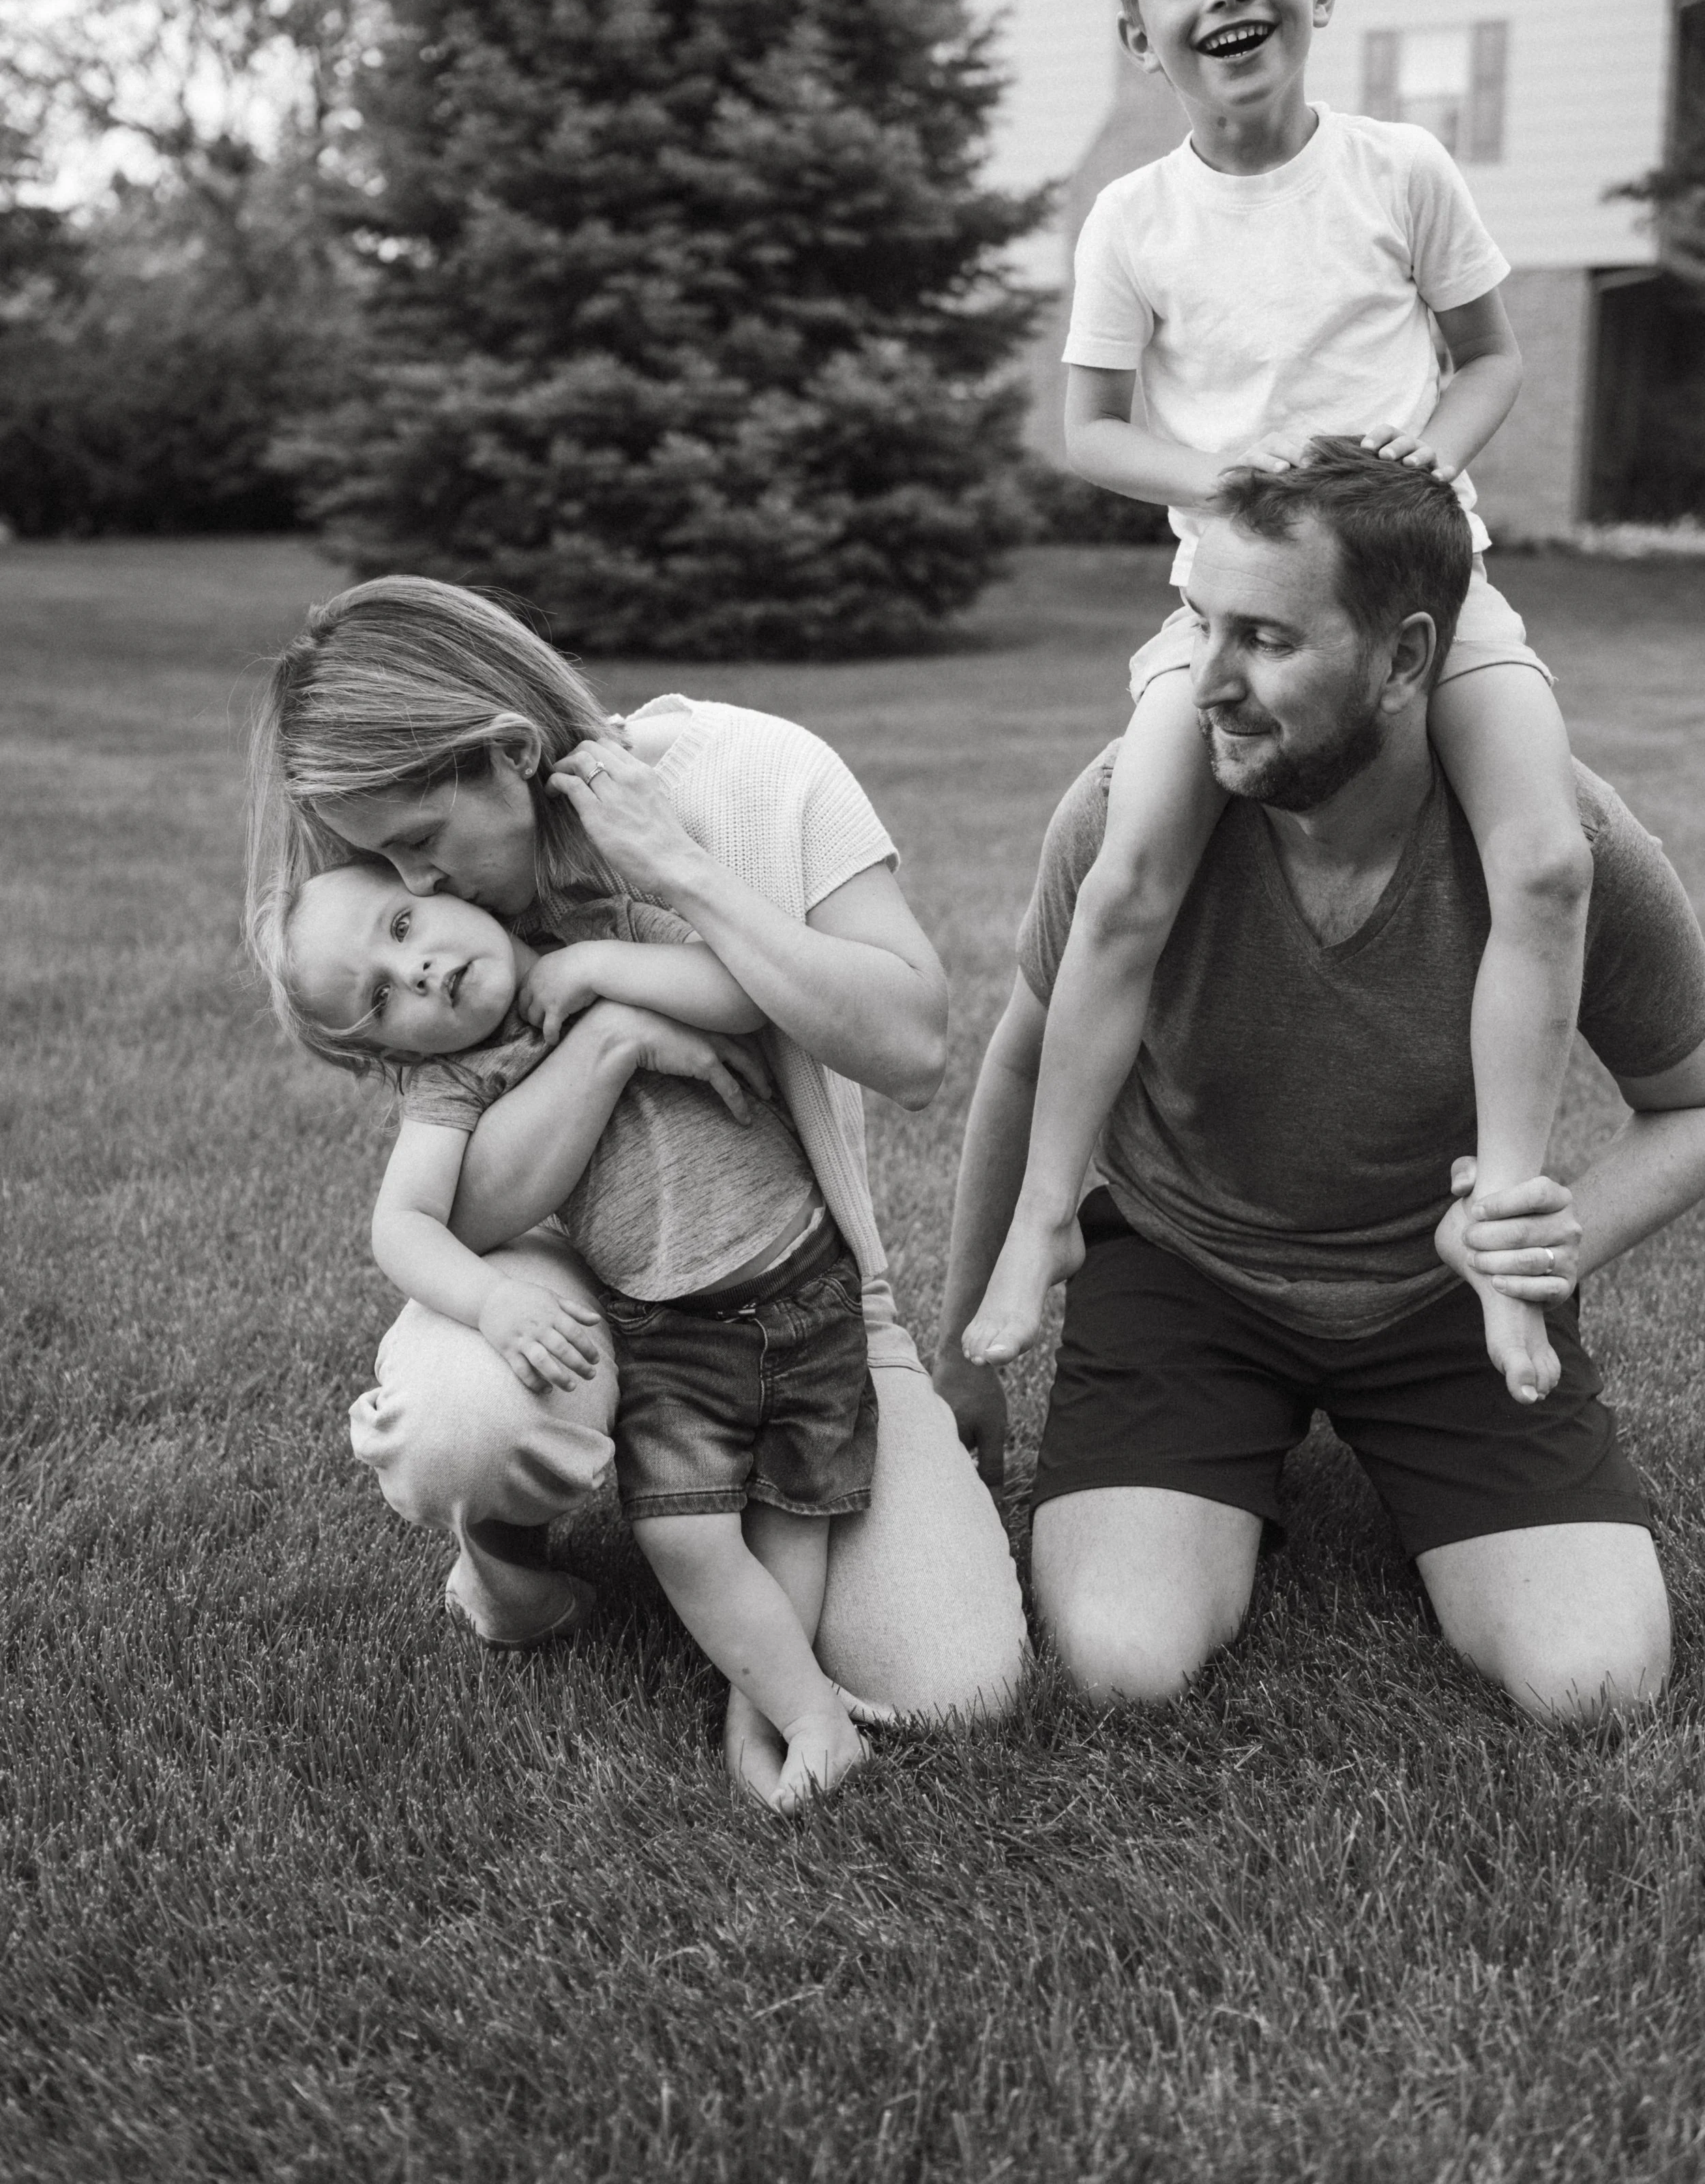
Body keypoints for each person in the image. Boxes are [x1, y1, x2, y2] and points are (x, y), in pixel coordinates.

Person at [964, 0, 1590, 1413]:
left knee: (1545, 859)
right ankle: (1048, 1218)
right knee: (1123, 884)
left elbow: (1491, 360)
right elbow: (1087, 428)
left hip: (1420, 593)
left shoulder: (1400, 173)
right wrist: (1224, 478)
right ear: (1136, 31)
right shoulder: (1135, 221)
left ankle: (1497, 1227)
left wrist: (1411, 480)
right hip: (1230, 613)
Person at [934, 453, 1705, 1723]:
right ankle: (1215, 1458)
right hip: (1187, 1267)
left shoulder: (1568, 846)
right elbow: (1023, 1056)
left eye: (1268, 638)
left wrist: (1543, 1251)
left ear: (1404, 661)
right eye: (1202, 626)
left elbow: (1688, 1102)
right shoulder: (1126, 815)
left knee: (1598, 1683)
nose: (1208, 681)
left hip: (1438, 1292)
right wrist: (968, 1353)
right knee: (1124, 1659)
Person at [246, 575, 1026, 1802]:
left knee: (958, 1683)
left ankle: (767, 1652)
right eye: (385, 865)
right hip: (578, 1291)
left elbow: (916, 1045)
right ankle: (505, 1554)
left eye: (420, 850)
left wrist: (682, 874)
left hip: (799, 1284)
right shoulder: (462, 982)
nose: (423, 897)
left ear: (507, 756)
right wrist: (608, 1044)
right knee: (468, 1415)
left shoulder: (751, 776)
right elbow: (453, 1213)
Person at [273, 858, 888, 1812]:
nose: (423, 973)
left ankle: (772, 1706)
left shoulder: (607, 928)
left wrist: (602, 966)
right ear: (390, 1057)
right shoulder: (458, 1078)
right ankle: (814, 1720)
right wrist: (490, 1302)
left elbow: (748, 993)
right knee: (685, 1534)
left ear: (446, 886)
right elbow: (400, 1223)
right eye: (383, 998)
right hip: (674, 1331)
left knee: (794, 1508)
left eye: (401, 928)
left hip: (806, 1284)